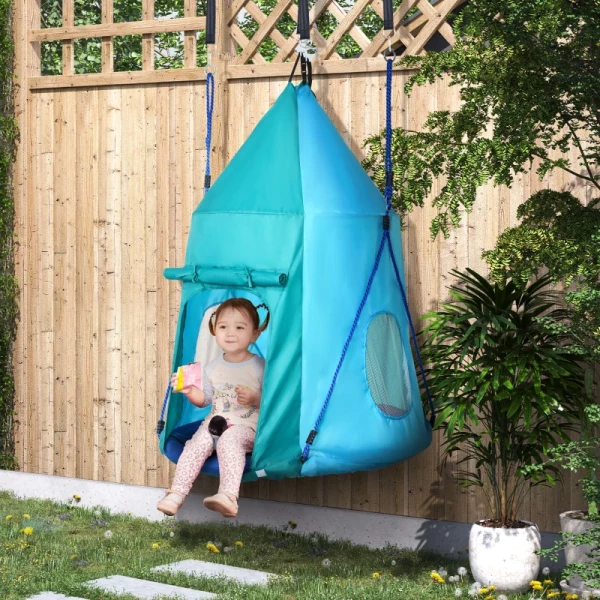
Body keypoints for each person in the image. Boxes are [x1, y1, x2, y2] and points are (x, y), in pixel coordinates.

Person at [157, 298, 269, 518]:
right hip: (214, 424)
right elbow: (205, 399)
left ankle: (228, 497)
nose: (230, 333)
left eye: (239, 327)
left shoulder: (259, 366)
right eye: (223, 327)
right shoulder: (213, 366)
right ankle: (176, 494)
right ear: (215, 331)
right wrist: (189, 390)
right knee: (194, 445)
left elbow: (272, 402)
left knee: (229, 441)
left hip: (245, 428)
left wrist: (256, 398)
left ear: (254, 335)